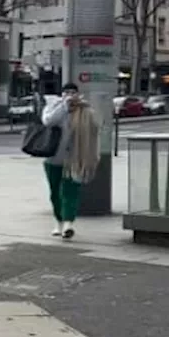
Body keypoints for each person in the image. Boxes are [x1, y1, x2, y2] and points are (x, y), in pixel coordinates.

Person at [40, 83, 100, 240]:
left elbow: (95, 128)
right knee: (55, 192)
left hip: (76, 158)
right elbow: (48, 121)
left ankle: (68, 224)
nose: (70, 95)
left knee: (70, 192)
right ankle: (58, 221)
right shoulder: (53, 107)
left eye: (73, 92)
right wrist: (64, 106)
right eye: (66, 92)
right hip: (54, 157)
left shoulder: (85, 110)